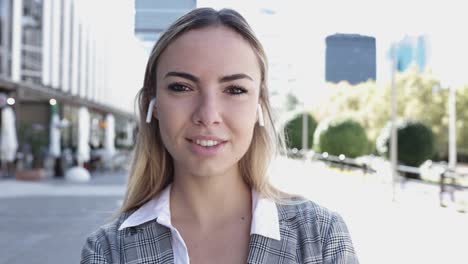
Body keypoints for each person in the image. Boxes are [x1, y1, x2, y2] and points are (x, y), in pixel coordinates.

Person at [81, 7, 359, 264]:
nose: (208, 114)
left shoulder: (320, 237)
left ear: (259, 106)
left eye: (235, 90)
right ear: (154, 105)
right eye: (181, 87)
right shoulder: (108, 250)